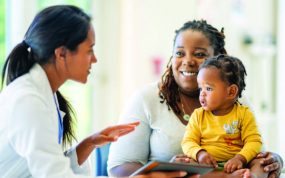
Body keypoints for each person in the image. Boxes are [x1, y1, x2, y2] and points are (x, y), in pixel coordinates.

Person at [0, 5, 189, 178]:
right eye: (89, 50)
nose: (95, 59)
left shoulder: (45, 95)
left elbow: (50, 165)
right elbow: (53, 174)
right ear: (61, 54)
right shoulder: (28, 100)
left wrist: (88, 144)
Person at [107, 20, 283, 178]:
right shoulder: (145, 99)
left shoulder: (237, 101)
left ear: (219, 58)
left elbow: (257, 149)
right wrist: (168, 171)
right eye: (179, 53)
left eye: (199, 54)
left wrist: (275, 161)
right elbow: (118, 167)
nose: (188, 61)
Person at [181, 54, 266, 177]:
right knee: (187, 164)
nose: (202, 94)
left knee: (261, 163)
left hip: (238, 164)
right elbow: (188, 141)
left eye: (208, 89)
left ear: (231, 91)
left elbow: (254, 141)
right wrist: (200, 154)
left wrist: (240, 158)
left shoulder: (244, 114)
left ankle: (251, 176)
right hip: (209, 166)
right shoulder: (198, 115)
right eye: (200, 89)